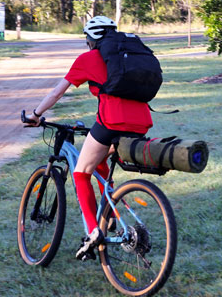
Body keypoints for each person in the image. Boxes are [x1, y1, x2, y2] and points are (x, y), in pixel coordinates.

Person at [23, 16, 153, 260]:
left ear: (91, 40)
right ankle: (111, 218)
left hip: (112, 122)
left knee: (82, 172)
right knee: (101, 166)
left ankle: (94, 231)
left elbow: (56, 92)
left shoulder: (88, 59)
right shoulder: (126, 56)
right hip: (142, 122)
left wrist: (36, 115)